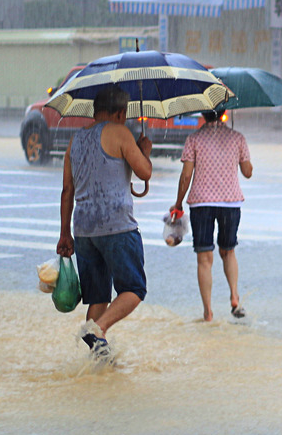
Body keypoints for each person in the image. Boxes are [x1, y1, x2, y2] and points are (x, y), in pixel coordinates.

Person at [57, 85, 152, 361]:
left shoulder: (76, 140)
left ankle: (99, 362)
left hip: (84, 231)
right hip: (118, 226)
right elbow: (144, 171)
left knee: (98, 297)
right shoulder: (120, 132)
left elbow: (67, 190)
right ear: (120, 113)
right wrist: (144, 149)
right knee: (134, 289)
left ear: (95, 111)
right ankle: (99, 329)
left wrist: (65, 234)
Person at [172, 108, 253, 322]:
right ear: (225, 112)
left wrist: (178, 202)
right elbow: (248, 172)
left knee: (204, 258)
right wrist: (240, 156)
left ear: (203, 114)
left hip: (201, 203)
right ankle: (234, 296)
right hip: (230, 202)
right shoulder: (237, 138)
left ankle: (208, 312)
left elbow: (186, 174)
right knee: (228, 251)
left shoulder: (194, 139)